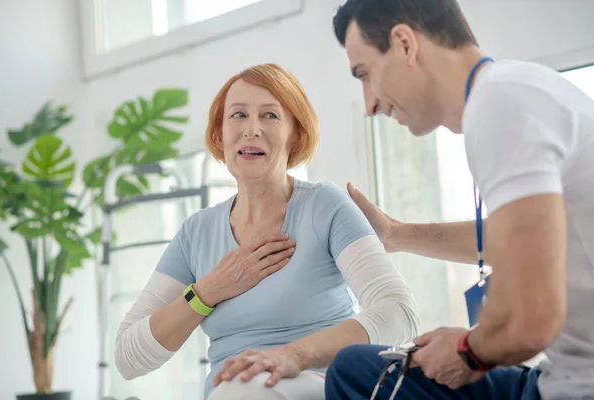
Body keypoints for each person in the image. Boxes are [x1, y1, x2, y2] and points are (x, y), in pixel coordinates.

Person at [325, 0, 594, 399]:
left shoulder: (500, 105)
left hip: (577, 386)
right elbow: (525, 240)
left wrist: (467, 350)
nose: (370, 103)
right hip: (558, 374)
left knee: (361, 378)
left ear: (404, 44)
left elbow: (533, 319)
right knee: (355, 367)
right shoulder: (515, 89)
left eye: (365, 74)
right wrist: (396, 235)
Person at [114, 63, 420, 400]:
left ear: (296, 134)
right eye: (238, 115)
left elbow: (399, 313)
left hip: (315, 384)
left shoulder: (326, 207)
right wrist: (205, 294)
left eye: (270, 116)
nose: (252, 129)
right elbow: (128, 358)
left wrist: (292, 355)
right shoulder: (196, 233)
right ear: (219, 135)